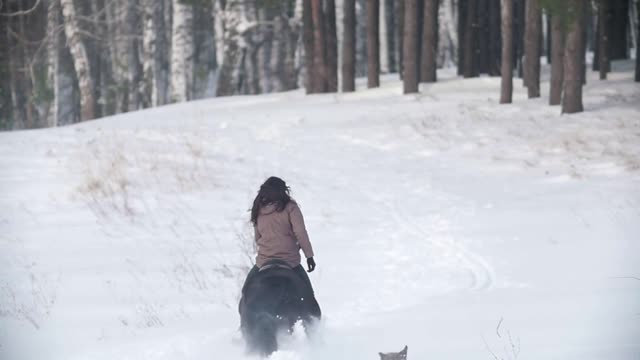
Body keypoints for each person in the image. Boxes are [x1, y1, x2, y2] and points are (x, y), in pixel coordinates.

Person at [241, 176, 319, 316]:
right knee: (309, 298)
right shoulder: (291, 208)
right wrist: (309, 256)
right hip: (290, 262)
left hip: (264, 262)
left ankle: (244, 324)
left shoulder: (258, 210)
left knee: (246, 294)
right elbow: (300, 233)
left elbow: (257, 238)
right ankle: (313, 328)